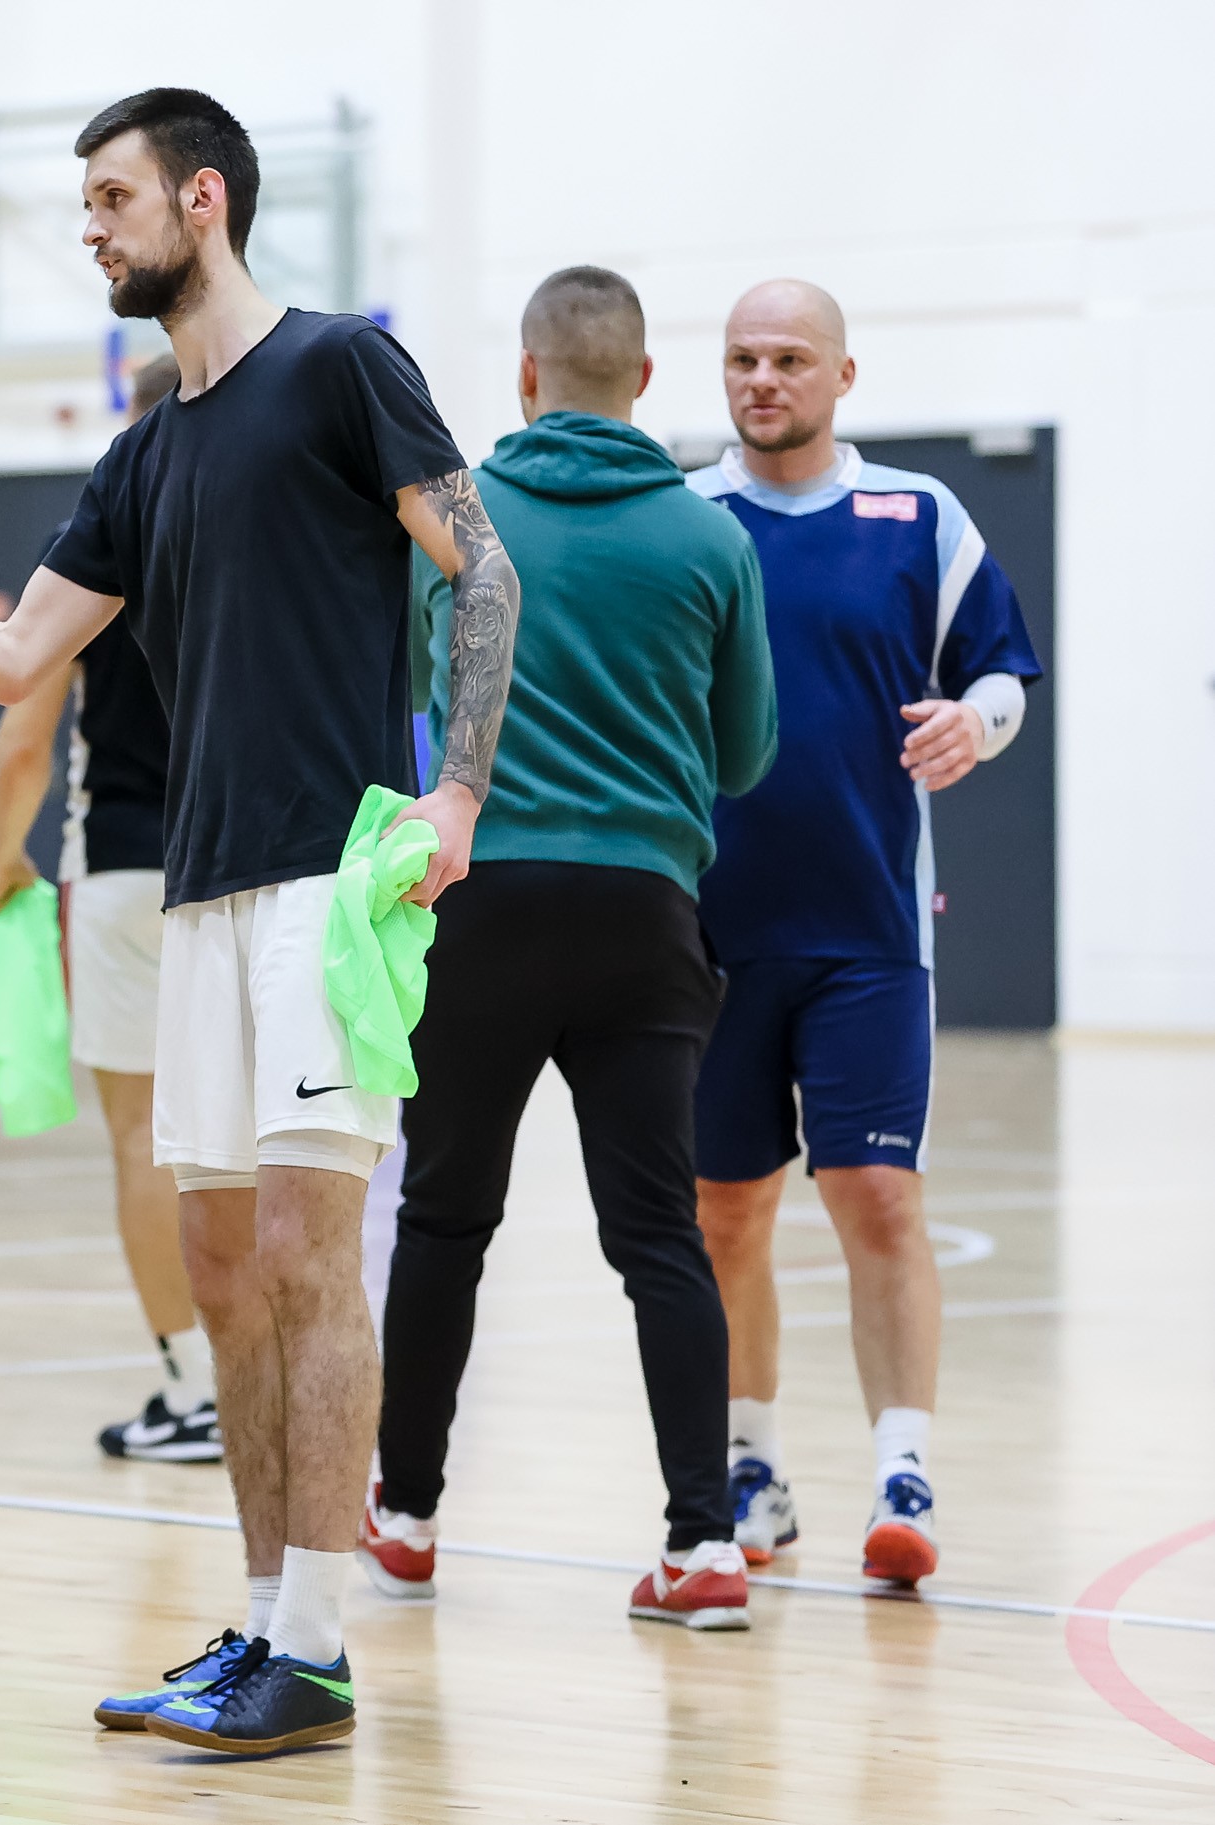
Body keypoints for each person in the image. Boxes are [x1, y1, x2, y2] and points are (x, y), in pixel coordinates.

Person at [0, 89, 518, 1756]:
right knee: (219, 1264)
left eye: (110, 197)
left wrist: (458, 792)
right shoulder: (142, 454)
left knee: (306, 1257)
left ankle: (314, 1646)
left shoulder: (339, 366)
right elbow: (8, 660)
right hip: (190, 894)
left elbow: (479, 567)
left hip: (323, 880)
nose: (89, 228)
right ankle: (262, 1623)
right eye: (84, 203)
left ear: (201, 200)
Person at [360, 268, 778, 1630]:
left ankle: (405, 1517)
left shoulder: (459, 516)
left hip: (479, 904)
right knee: (659, 1234)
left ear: (526, 376)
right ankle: (701, 1543)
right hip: (642, 916)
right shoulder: (709, 538)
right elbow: (745, 753)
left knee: (442, 1218)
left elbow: (427, 690)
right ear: (642, 380)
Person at [689, 280, 1042, 1589]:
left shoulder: (918, 516)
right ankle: (748, 1466)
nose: (760, 379)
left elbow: (1001, 668)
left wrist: (974, 722)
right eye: (741, 358)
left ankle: (902, 1475)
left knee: (877, 1197)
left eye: (788, 358)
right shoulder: (686, 519)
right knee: (724, 1215)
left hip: (869, 933)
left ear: (841, 377)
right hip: (709, 939)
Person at [0, 354, 219, 1463]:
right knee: (261, 1138)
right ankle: (268, 1370)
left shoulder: (93, 540)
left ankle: (195, 1385)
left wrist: (1, 856)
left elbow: (23, 733)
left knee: (142, 1137)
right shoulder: (261, 534)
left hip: (124, 870)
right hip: (255, 866)